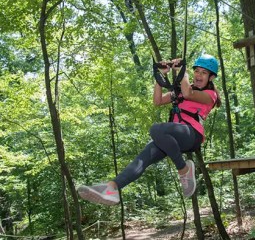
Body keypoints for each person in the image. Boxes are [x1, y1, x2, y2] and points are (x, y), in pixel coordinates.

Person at [77, 54, 221, 205]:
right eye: (197, 71)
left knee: (156, 129)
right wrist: (160, 76)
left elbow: (188, 93)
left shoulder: (210, 95)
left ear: (211, 78)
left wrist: (182, 71)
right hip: (173, 138)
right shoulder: (182, 89)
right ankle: (112, 188)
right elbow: (157, 101)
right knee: (142, 158)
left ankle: (183, 169)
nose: (198, 75)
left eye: (203, 73)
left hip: (192, 135)